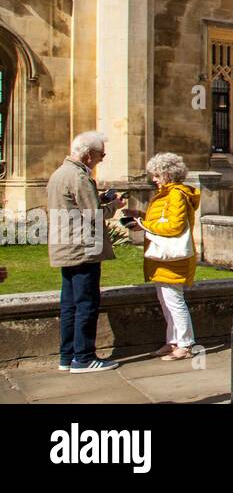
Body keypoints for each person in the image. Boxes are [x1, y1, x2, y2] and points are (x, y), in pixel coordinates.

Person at [47, 131, 126, 373]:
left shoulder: (59, 174)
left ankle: (67, 356)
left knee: (69, 304)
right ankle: (83, 357)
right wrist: (115, 205)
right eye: (102, 154)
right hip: (83, 248)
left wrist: (99, 198)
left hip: (65, 246)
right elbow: (94, 215)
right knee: (86, 304)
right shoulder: (80, 176)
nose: (103, 158)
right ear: (89, 154)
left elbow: (75, 206)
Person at [122, 153, 201, 360]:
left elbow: (174, 226)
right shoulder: (166, 194)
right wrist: (139, 216)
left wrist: (143, 225)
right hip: (163, 258)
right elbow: (162, 219)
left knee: (174, 301)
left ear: (168, 174)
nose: (154, 179)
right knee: (166, 301)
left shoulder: (176, 195)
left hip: (173, 259)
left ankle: (185, 344)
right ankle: (173, 341)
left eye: (157, 175)